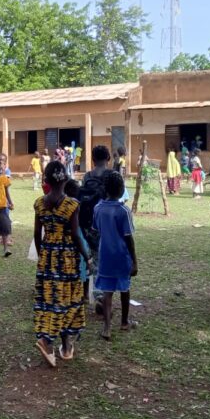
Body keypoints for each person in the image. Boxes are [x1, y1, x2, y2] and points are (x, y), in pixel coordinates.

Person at [33, 161, 89, 367]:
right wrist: (87, 257)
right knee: (68, 299)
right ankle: (48, 341)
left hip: (48, 257)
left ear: (46, 181)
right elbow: (75, 234)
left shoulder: (39, 203)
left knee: (51, 299)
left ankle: (65, 346)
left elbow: (37, 235)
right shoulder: (72, 204)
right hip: (67, 260)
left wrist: (43, 257)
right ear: (65, 179)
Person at [93, 171, 138, 340]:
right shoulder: (123, 211)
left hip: (105, 255)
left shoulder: (98, 208)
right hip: (121, 255)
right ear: (121, 190)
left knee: (107, 291)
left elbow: (96, 229)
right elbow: (129, 238)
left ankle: (106, 327)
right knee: (124, 288)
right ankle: (124, 322)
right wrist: (134, 261)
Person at [79, 145, 111, 313]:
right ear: (108, 159)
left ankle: (86, 292)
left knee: (89, 257)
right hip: (106, 223)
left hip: (87, 224)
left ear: (92, 159)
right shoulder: (112, 175)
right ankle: (100, 297)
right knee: (102, 259)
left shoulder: (87, 176)